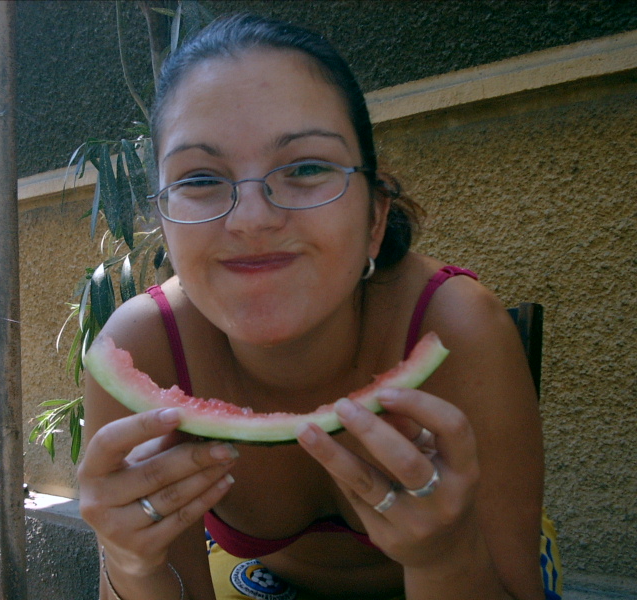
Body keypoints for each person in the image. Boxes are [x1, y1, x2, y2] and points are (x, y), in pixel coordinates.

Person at [78, 13, 561, 600]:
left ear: (375, 216)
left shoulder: (458, 327)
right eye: (201, 178)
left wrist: (443, 559)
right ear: (164, 221)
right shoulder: (142, 350)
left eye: (306, 168)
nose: (252, 220)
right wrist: (133, 565)